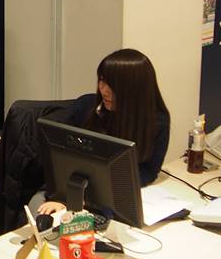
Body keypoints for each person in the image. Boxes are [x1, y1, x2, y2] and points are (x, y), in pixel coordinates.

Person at [37, 49, 171, 217]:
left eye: (112, 85)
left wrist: (110, 189)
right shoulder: (87, 108)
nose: (103, 90)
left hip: (111, 200)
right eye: (102, 80)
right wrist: (63, 197)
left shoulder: (156, 121)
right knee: (45, 217)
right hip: (65, 192)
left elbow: (149, 171)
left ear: (134, 90)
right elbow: (58, 160)